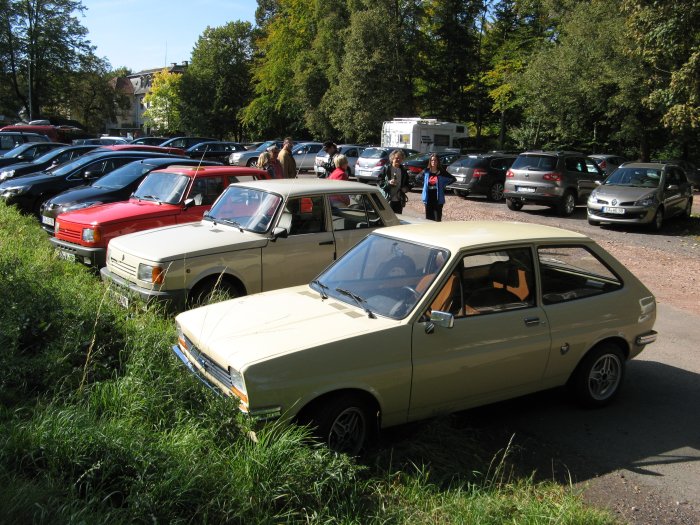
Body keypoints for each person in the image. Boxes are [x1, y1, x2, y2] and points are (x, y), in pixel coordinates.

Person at [417, 153, 456, 221]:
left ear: (438, 162)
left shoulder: (441, 172)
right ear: (430, 161)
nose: (433, 162)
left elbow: (453, 179)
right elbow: (417, 177)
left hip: (438, 197)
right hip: (428, 196)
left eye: (435, 160)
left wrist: (443, 184)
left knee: (437, 217)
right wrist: (424, 183)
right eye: (432, 160)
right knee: (429, 218)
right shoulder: (426, 171)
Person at [378, 149, 410, 214]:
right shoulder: (386, 168)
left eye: (400, 158)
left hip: (399, 200)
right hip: (387, 199)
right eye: (396, 158)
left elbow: (408, 183)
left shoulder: (403, 170)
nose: (398, 160)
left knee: (398, 219)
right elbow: (379, 181)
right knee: (388, 218)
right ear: (392, 158)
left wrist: (405, 188)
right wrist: (388, 183)